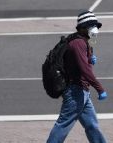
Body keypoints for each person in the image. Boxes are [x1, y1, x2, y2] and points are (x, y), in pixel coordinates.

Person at [46, 10, 108, 143]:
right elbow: (85, 70)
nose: (95, 30)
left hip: (82, 91)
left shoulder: (83, 40)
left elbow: (86, 58)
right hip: (75, 92)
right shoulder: (78, 43)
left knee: (92, 126)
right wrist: (100, 88)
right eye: (92, 26)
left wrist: (90, 56)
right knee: (63, 124)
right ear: (83, 28)